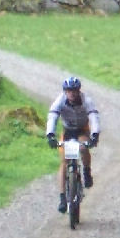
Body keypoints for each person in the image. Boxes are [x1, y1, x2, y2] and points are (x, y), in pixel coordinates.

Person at [45, 76, 101, 213]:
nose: (72, 93)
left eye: (74, 91)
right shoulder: (60, 101)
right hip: (68, 131)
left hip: (82, 129)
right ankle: (63, 197)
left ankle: (87, 172)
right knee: (64, 161)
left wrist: (95, 134)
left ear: (78, 91)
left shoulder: (86, 101)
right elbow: (52, 116)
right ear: (65, 91)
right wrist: (50, 135)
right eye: (69, 91)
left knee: (83, 148)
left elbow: (94, 117)